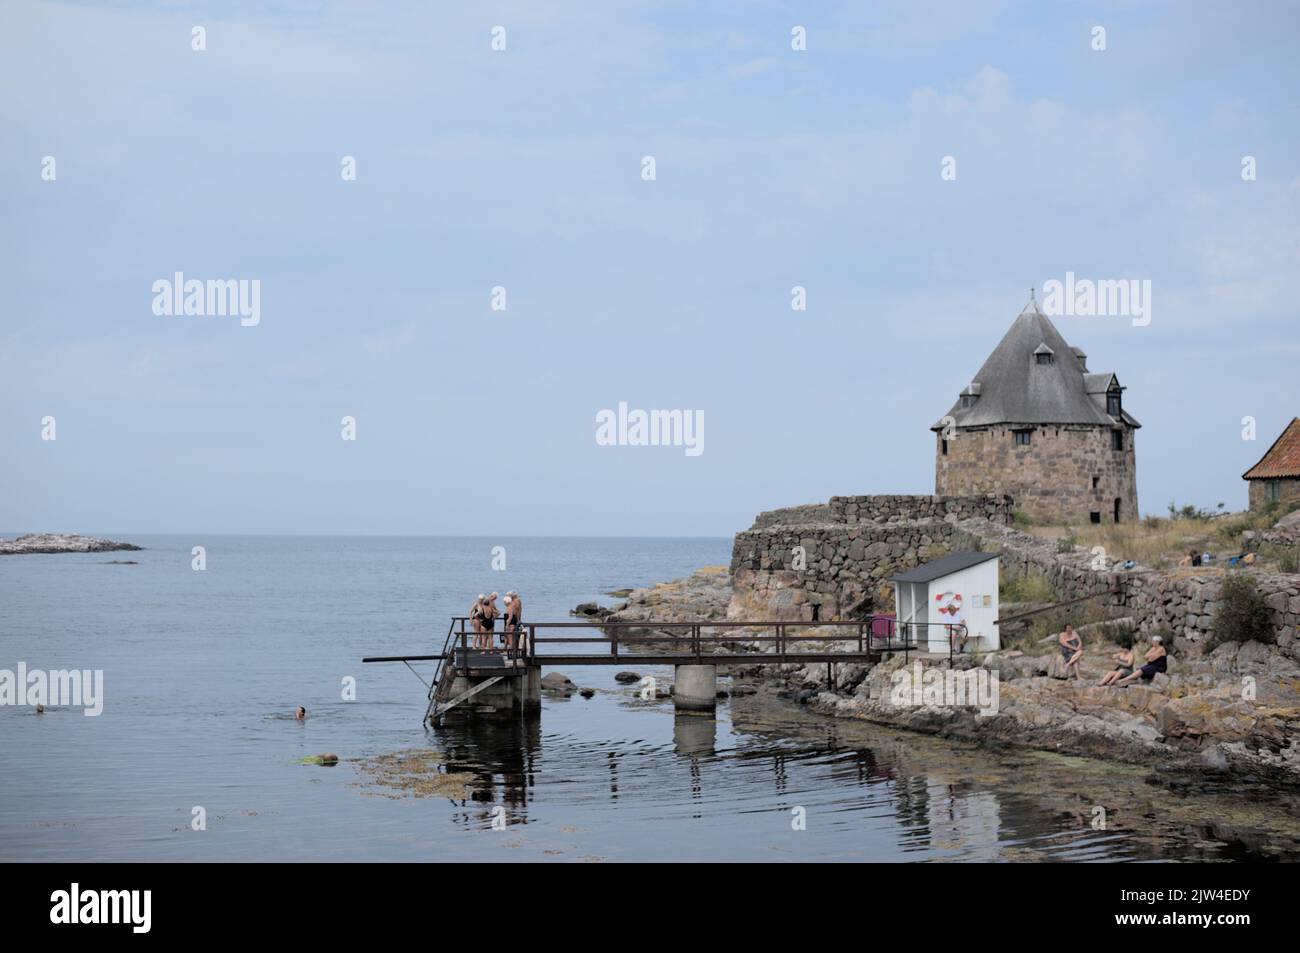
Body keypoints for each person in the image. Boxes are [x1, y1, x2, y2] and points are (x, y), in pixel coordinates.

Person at [503, 591, 524, 656]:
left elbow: (516, 612)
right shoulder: (512, 602)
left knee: (510, 635)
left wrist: (518, 620)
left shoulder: (515, 602)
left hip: (512, 620)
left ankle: (512, 650)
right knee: (507, 635)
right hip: (511, 620)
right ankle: (506, 648)